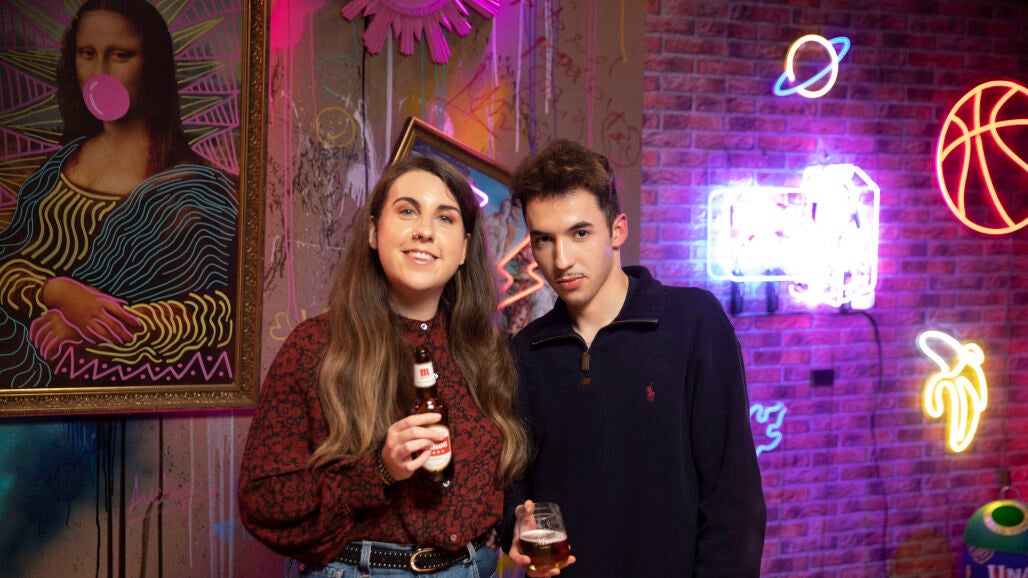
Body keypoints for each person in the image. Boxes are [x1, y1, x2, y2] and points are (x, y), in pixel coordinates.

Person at [239, 155, 530, 578]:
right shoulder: (317, 346)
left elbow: (503, 481)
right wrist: (379, 470)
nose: (425, 230)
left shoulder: (487, 353)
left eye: (445, 218)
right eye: (407, 211)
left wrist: (514, 523)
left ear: (465, 248)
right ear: (375, 232)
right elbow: (262, 501)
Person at [501, 139, 766, 577]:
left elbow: (733, 502)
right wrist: (515, 522)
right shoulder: (523, 352)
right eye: (544, 240)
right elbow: (514, 484)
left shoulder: (693, 323)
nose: (562, 260)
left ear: (617, 230)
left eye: (580, 233)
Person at [0, 0, 237, 387]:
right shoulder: (55, 172)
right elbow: (8, 261)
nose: (99, 73)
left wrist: (91, 326)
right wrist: (57, 292)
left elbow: (217, 311)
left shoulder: (197, 190)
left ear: (153, 65)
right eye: (87, 53)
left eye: (120, 55)